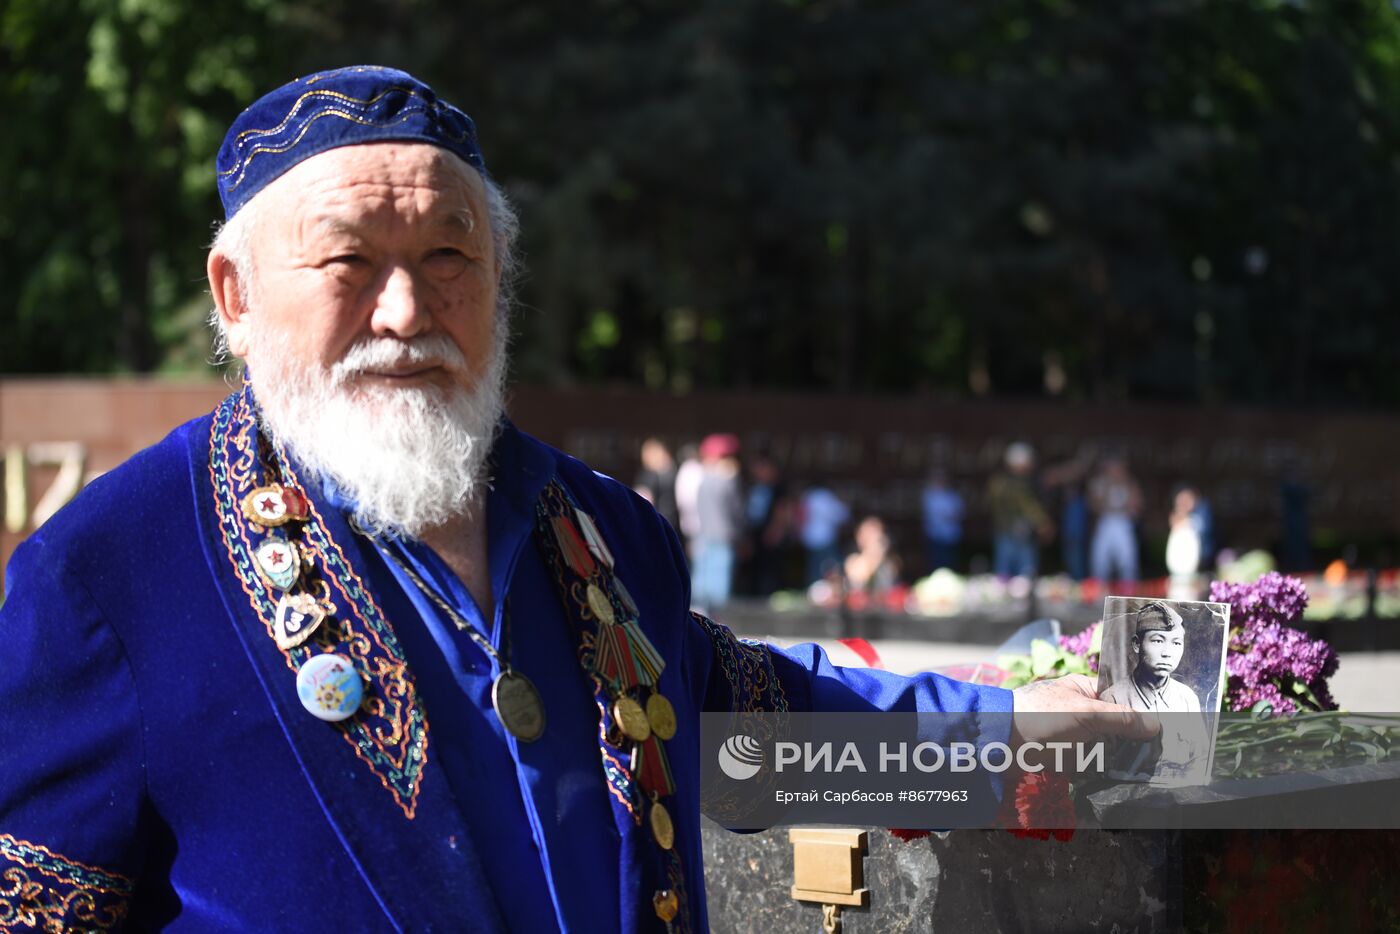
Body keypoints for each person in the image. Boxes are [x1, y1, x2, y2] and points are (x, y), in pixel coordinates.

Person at [0, 66, 1149, 932]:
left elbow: (749, 727)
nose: (405, 309)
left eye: (450, 256)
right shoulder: (111, 574)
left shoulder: (598, 528)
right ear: (235, 296)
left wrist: (1005, 735)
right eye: (348, 260)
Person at [1101, 602, 1207, 783]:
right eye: (1158, 641)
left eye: (1176, 643)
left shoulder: (1187, 698)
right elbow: (1100, 767)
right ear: (1136, 644)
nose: (1168, 653)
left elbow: (1201, 760)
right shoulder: (1113, 699)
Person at [690, 433, 743, 611]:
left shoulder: (702, 479)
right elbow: (736, 510)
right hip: (724, 534)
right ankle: (718, 619)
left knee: (702, 579)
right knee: (719, 579)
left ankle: (700, 616)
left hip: (704, 533)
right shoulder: (728, 480)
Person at [985, 442, 1053, 578]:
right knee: (1008, 578)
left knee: (1023, 577)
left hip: (1022, 535)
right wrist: (1043, 524)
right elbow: (1029, 507)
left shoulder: (1009, 482)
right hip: (1008, 535)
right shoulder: (1002, 484)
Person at [1088, 455, 1143, 585]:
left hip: (1123, 523)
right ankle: (1099, 592)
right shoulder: (1099, 483)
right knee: (1100, 560)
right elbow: (1094, 506)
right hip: (1106, 522)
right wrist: (1108, 487)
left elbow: (1137, 506)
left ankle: (1129, 591)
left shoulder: (1130, 483)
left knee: (1127, 560)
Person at [920, 469, 964, 574]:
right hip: (935, 536)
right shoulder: (929, 496)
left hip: (950, 536)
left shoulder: (952, 496)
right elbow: (931, 514)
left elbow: (958, 514)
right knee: (936, 565)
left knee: (950, 564)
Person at [633, 437, 679, 533]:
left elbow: (643, 502)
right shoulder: (671, 472)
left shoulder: (648, 475)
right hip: (668, 522)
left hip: (657, 523)